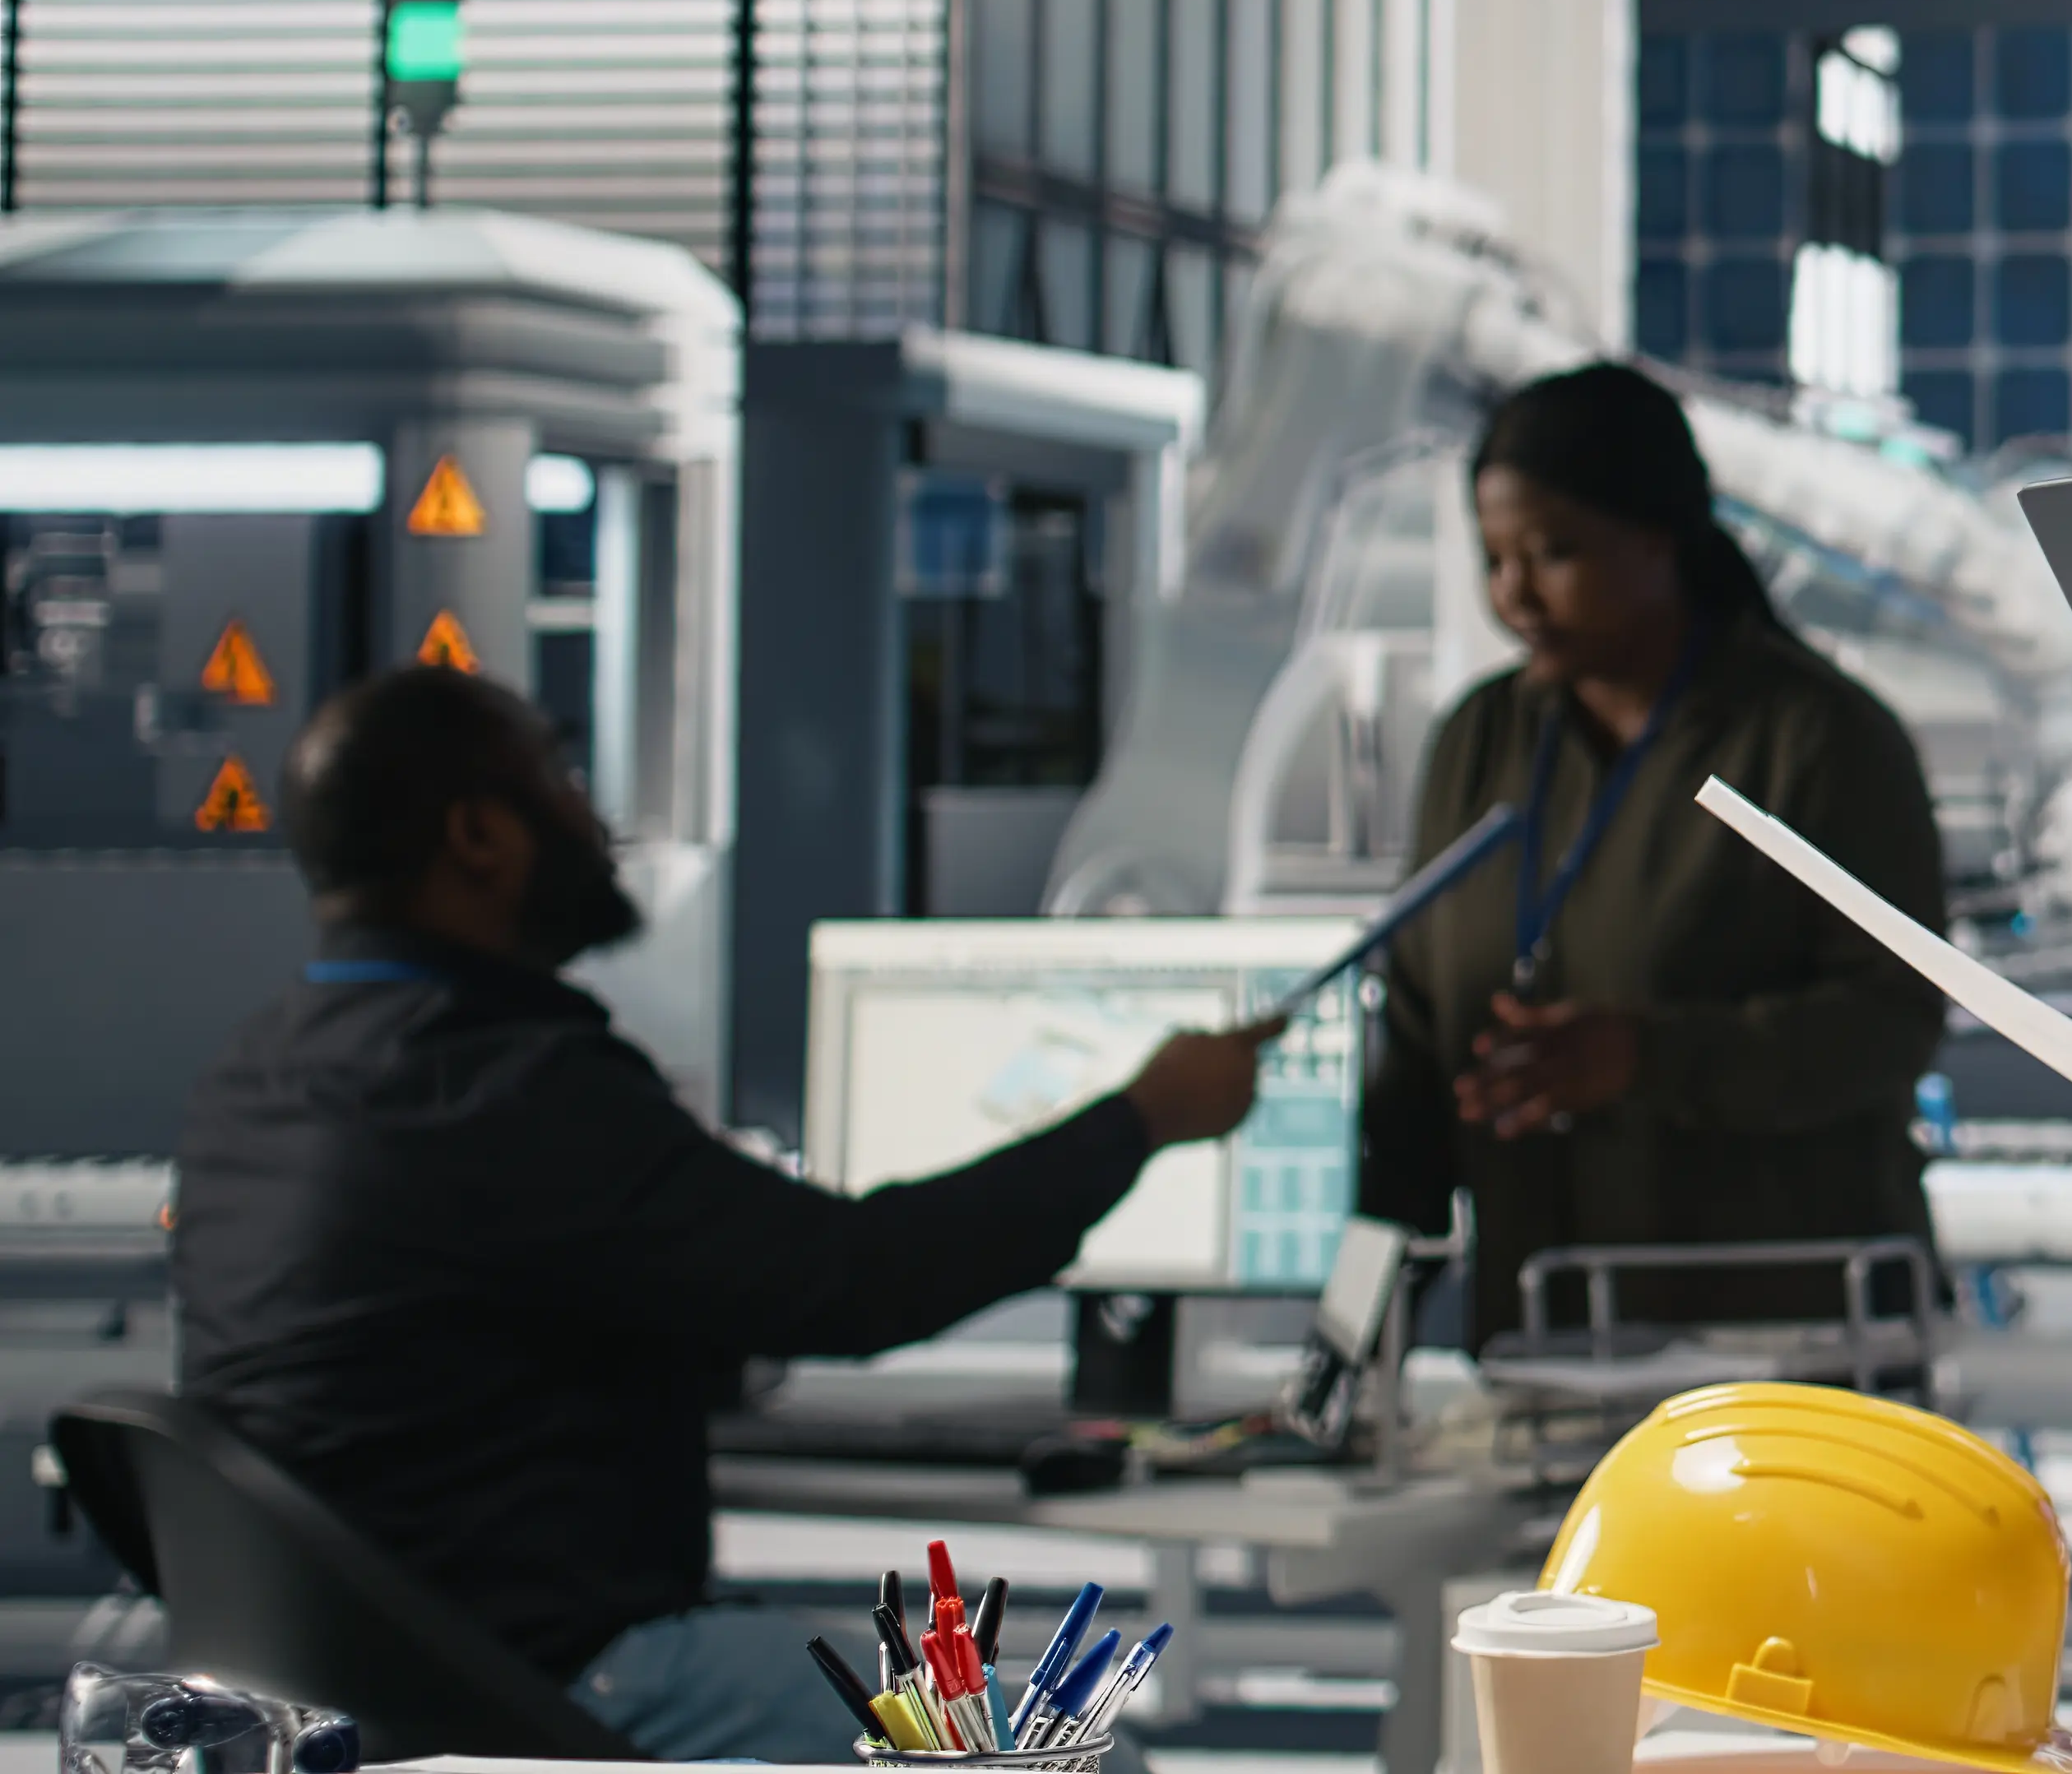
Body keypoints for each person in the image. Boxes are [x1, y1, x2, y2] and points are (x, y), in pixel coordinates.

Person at [167, 665, 1278, 1761]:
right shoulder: (509, 1085)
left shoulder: (250, 1080)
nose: (588, 817)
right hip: (552, 1682)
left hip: (340, 1695)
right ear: (478, 838)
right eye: (556, 778)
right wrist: (1137, 1121)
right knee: (1073, 1755)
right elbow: (857, 1277)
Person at [1360, 364, 1946, 1346]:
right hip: (1540, 1326)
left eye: (1553, 554)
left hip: (1781, 1339)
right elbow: (1419, 1034)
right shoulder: (1481, 741)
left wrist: (1647, 1057)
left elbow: (1889, 1020)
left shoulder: (1816, 738)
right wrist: (1364, 1308)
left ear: (1657, 534)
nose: (1515, 595)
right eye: (1494, 558)